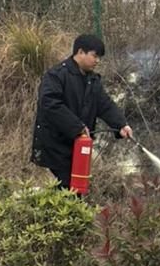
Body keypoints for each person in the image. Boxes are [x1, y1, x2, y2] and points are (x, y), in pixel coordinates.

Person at [31, 34, 133, 190]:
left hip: (77, 145)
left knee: (76, 187)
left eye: (99, 57)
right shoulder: (56, 75)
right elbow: (50, 104)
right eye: (94, 56)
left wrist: (121, 124)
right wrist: (77, 127)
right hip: (56, 144)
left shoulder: (92, 80)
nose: (97, 61)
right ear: (80, 52)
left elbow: (104, 104)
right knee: (67, 187)